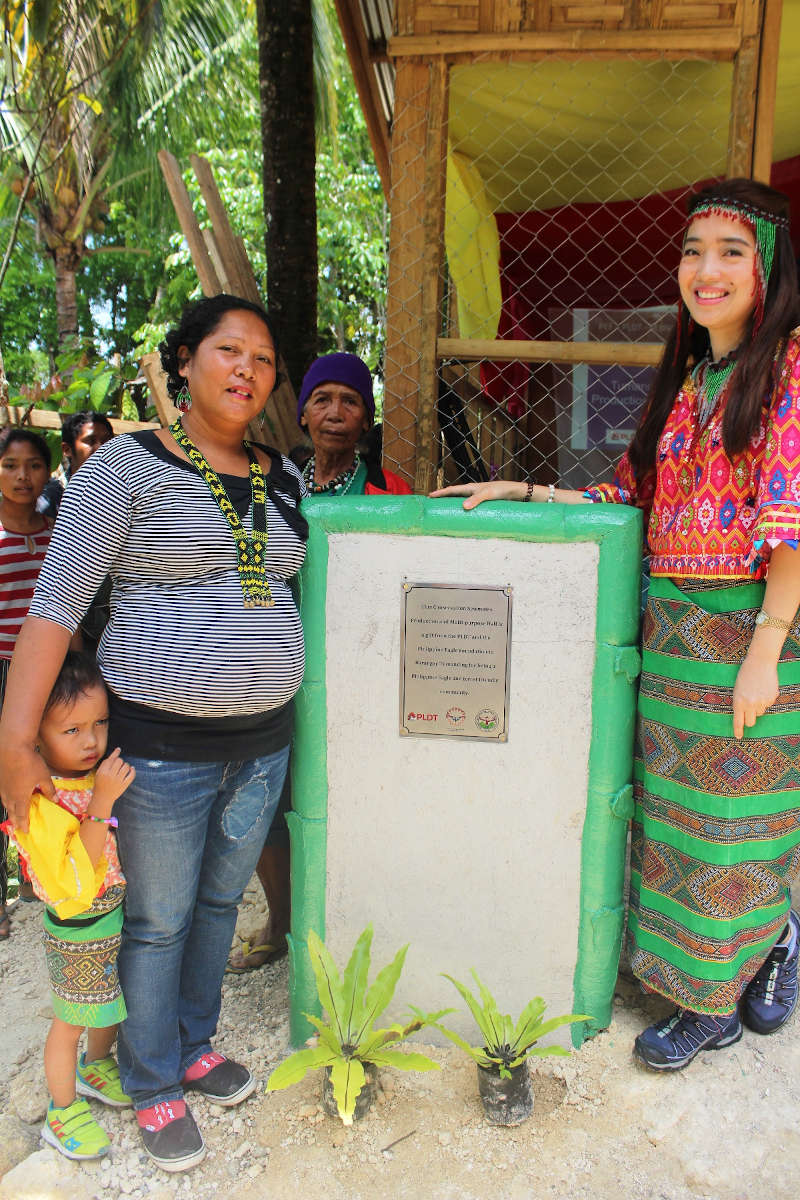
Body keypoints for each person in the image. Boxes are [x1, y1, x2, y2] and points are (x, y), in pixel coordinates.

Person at [431, 178, 800, 1072]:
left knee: (730, 813)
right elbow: (630, 492)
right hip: (670, 634)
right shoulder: (689, 375)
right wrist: (523, 490)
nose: (705, 271)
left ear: (770, 266)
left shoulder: (789, 362)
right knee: (679, 815)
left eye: (730, 252)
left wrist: (765, 651)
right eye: (692, 252)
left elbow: (792, 512)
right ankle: (761, 944)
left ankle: (716, 995)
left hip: (748, 634)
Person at [0, 294, 308, 1172]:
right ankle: (148, 1078)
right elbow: (55, 605)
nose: (247, 368)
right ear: (183, 362)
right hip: (159, 750)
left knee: (218, 905)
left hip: (262, 744)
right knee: (159, 918)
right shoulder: (123, 469)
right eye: (227, 350)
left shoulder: (284, 478)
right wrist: (15, 742)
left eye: (262, 356)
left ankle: (192, 1042)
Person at [228, 352, 411, 972]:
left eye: (351, 401)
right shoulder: (272, 484)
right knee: (272, 801)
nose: (336, 412)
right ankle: (282, 922)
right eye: (323, 398)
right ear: (302, 412)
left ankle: (354, 919)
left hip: (358, 673)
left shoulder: (390, 492)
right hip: (276, 666)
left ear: (367, 418)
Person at [2, 653, 135, 1161]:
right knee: (70, 1019)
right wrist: (101, 802)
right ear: (35, 738)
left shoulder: (87, 777)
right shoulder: (40, 799)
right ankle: (61, 1111)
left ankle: (96, 1067)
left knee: (108, 1002)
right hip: (77, 925)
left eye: (100, 722)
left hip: (110, 914)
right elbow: (73, 878)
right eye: (72, 729)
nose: (91, 740)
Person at [0, 428, 53, 936]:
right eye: (10, 464)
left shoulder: (58, 529)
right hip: (4, 670)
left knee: (51, 769)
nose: (22, 476)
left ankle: (40, 871)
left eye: (34, 465)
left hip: (54, 672)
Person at [37, 411, 114, 519]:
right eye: (91, 441)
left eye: (107, 441)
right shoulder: (51, 498)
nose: (102, 448)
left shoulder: (122, 495)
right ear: (67, 449)